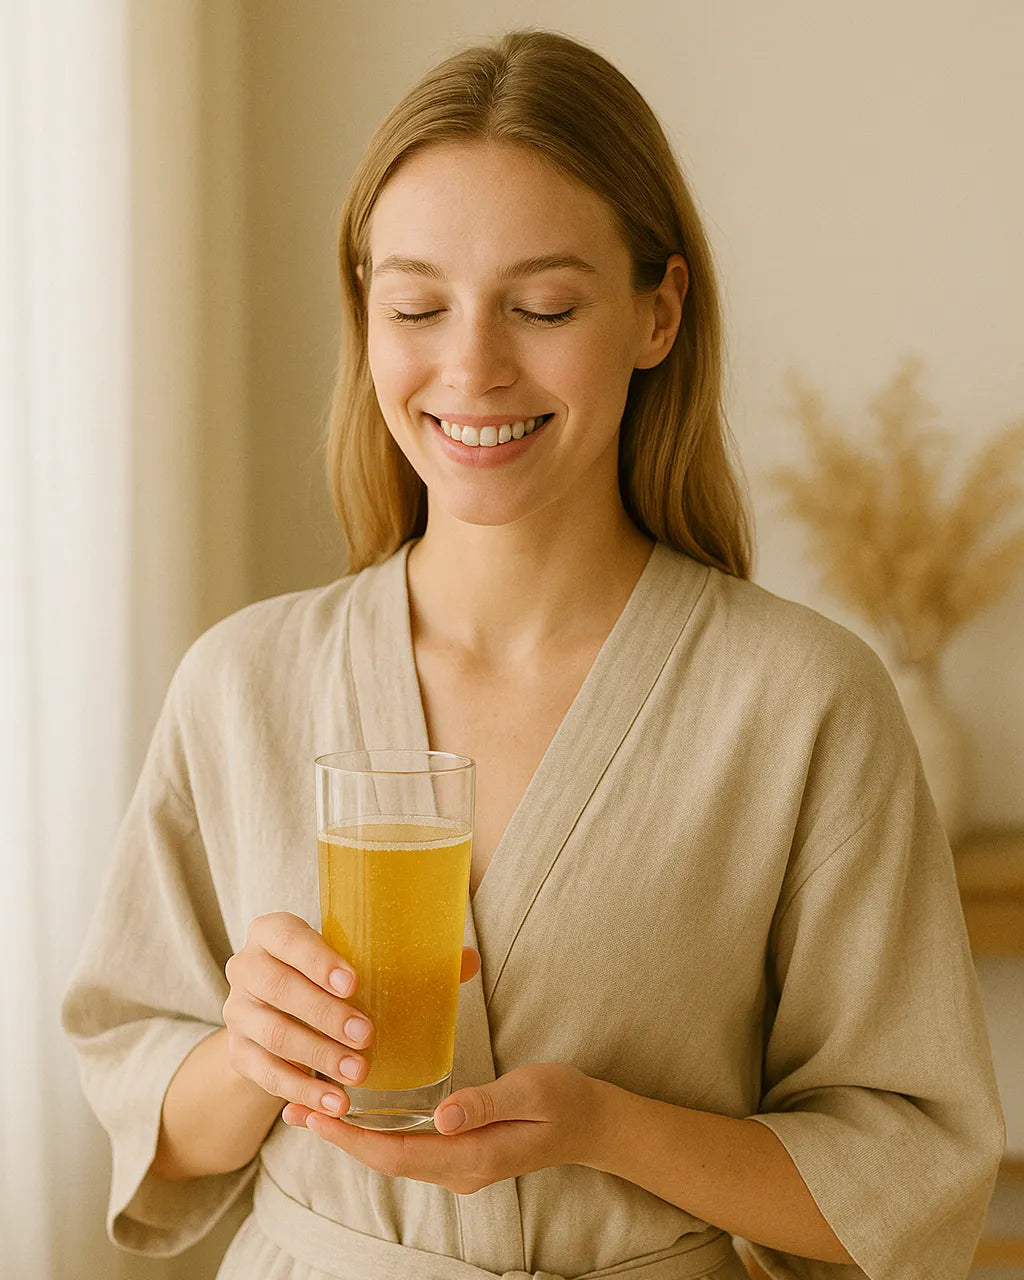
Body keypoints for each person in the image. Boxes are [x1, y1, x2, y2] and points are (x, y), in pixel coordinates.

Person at [62, 28, 1004, 1280]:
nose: (472, 367)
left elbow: (915, 1181)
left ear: (657, 310)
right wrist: (251, 1051)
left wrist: (611, 1129)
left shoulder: (801, 702)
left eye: (544, 305)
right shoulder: (240, 683)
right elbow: (156, 1140)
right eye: (415, 304)